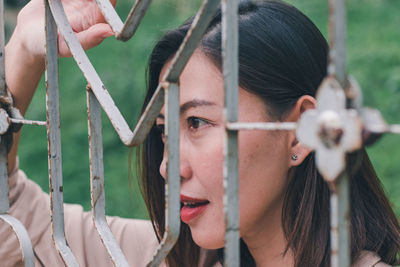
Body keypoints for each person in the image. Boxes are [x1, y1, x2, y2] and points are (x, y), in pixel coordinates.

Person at [1, 0, 400, 266]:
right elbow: (13, 218)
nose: (167, 167)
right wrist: (24, 49)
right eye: (162, 131)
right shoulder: (176, 257)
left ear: (300, 133)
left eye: (197, 123)